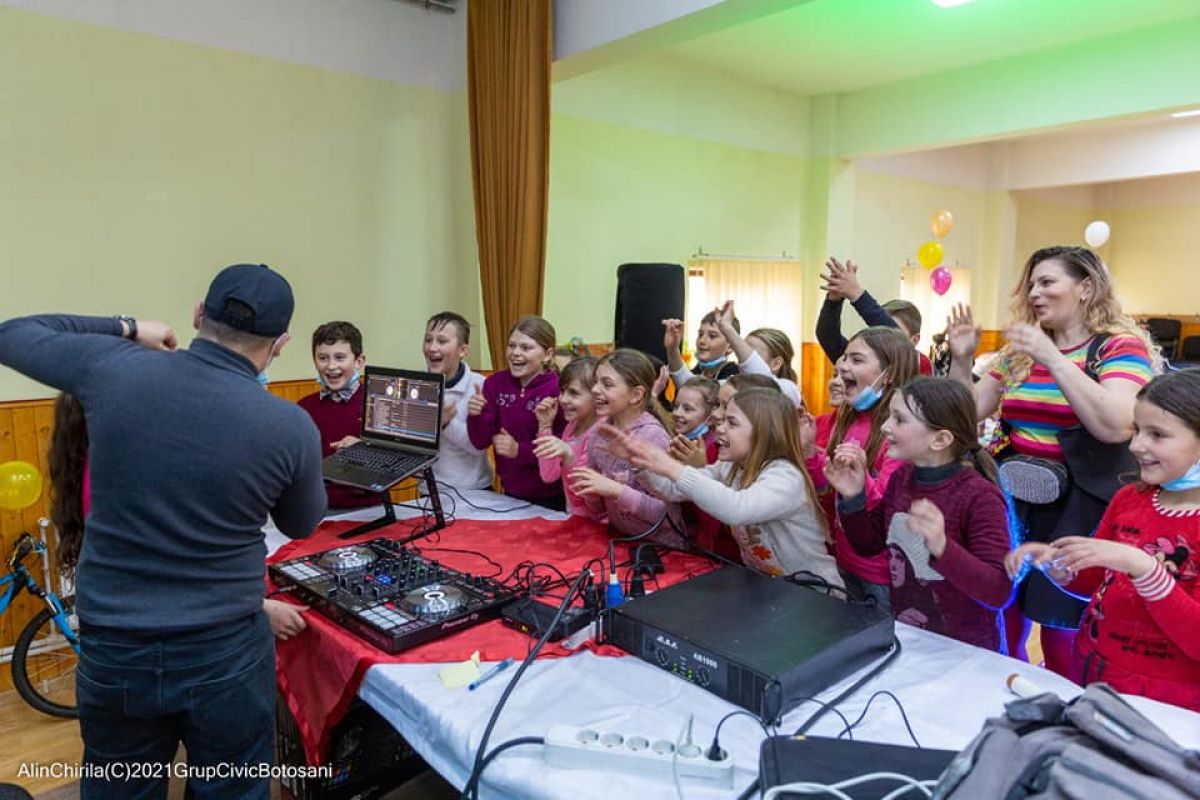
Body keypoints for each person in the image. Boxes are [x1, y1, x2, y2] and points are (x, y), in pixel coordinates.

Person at [0, 263, 326, 799]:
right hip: (225, 648)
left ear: (199, 315)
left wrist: (127, 328)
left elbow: (12, 334)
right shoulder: (290, 427)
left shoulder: (115, 367)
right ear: (282, 343)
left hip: (117, 646)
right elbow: (301, 522)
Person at [947, 245, 1156, 675]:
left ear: (1085, 288)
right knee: (1005, 616)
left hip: (1082, 506)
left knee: (1062, 630)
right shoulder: (1020, 353)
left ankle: (1068, 708)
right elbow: (963, 417)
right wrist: (962, 360)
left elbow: (1117, 425)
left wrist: (1053, 358)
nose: (1035, 294)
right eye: (1031, 285)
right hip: (1017, 504)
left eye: (1047, 282)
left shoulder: (1118, 348)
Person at [1007, 369, 1200, 711]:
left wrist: (1144, 568)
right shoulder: (1129, 499)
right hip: (1095, 670)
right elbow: (1095, 584)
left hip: (1170, 702)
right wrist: (1061, 566)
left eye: (1157, 434)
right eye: (1137, 430)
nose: (1136, 445)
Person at [829, 378, 1011, 649]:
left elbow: (998, 591)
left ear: (940, 439)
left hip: (967, 651)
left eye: (899, 420)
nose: (885, 426)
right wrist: (854, 497)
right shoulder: (903, 477)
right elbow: (869, 544)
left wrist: (942, 547)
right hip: (913, 638)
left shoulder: (980, 496)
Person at [613, 388, 840, 588]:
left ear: (763, 432)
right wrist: (639, 461)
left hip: (815, 592)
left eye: (732, 423)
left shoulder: (785, 476)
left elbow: (737, 509)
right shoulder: (731, 468)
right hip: (772, 588)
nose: (719, 429)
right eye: (722, 421)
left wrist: (673, 467)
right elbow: (673, 490)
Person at [803, 327, 919, 610]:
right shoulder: (848, 419)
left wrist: (859, 479)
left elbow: (887, 508)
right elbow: (829, 485)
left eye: (856, 360)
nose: (843, 366)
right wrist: (808, 453)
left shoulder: (897, 434)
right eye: (844, 358)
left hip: (881, 574)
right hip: (845, 561)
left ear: (888, 374)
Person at [570, 349, 683, 545]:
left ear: (636, 395)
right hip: (622, 540)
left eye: (607, 384)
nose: (595, 389)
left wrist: (616, 490)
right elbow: (599, 510)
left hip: (661, 548)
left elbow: (666, 516)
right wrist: (592, 495)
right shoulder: (598, 432)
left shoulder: (653, 436)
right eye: (596, 382)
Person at [467, 315, 565, 509]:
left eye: (526, 348)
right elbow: (480, 442)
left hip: (553, 496)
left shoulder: (558, 389)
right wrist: (475, 416)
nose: (515, 353)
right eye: (511, 346)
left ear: (547, 355)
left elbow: (564, 447)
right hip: (510, 494)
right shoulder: (494, 384)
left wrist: (519, 450)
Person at [296, 321, 377, 509]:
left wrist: (364, 451)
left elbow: (394, 462)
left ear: (360, 361)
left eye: (340, 357)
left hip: (369, 508)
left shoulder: (376, 405)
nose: (331, 366)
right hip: (316, 509)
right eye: (323, 358)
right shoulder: (303, 408)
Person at [817, 256, 933, 375]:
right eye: (878, 330)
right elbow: (828, 337)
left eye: (892, 328)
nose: (882, 337)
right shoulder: (866, 359)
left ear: (914, 340)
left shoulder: (919, 362)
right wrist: (834, 301)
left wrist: (856, 293)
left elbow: (896, 340)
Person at [422, 311, 493, 491]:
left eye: (442, 341)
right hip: (429, 491)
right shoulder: (416, 386)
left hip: (475, 490)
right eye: (428, 340)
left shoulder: (481, 386)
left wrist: (446, 424)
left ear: (463, 350)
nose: (432, 348)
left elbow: (478, 447)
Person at [533, 356, 600, 519]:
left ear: (597, 395)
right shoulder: (571, 427)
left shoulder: (600, 433)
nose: (563, 399)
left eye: (574, 393)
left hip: (597, 524)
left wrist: (569, 457)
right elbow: (549, 475)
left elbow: (588, 498)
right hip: (575, 518)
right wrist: (545, 426)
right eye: (562, 391)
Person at [705, 301, 803, 408]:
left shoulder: (788, 389)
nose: (742, 358)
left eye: (750, 352)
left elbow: (767, 384)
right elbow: (700, 389)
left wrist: (727, 328)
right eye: (742, 350)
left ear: (776, 364)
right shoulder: (734, 384)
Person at [662, 309, 741, 387]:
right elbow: (686, 383)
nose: (702, 341)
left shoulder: (736, 375)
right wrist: (672, 347)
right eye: (700, 334)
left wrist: (673, 350)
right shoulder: (696, 372)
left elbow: (694, 386)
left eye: (712, 336)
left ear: (730, 347)